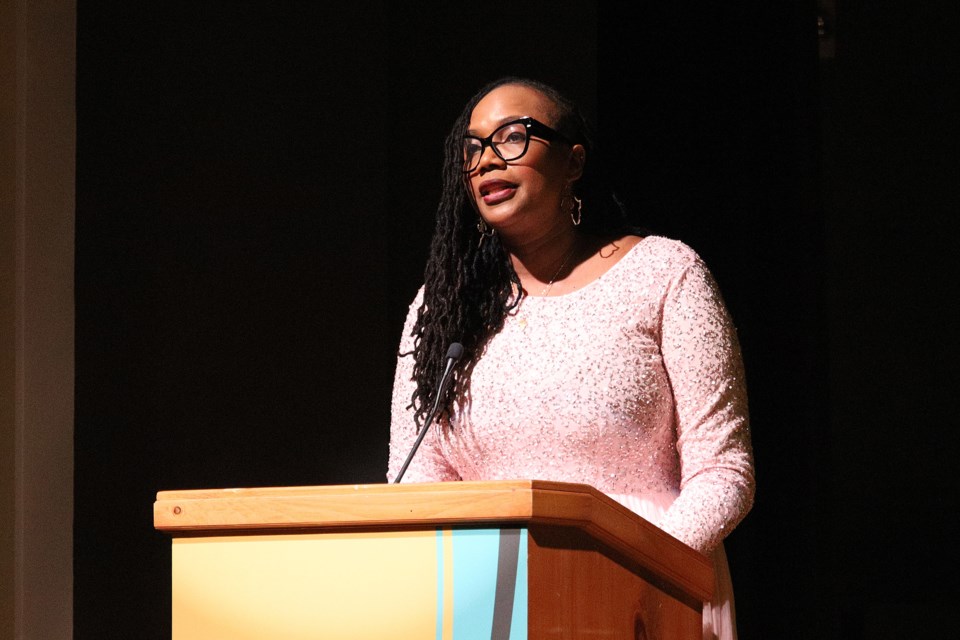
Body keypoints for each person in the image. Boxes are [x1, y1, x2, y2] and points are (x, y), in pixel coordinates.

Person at [386, 76, 755, 639]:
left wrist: (627, 564)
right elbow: (416, 482)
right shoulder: (444, 308)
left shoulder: (664, 275)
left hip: (644, 600)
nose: (487, 161)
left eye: (512, 137)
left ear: (573, 161)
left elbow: (723, 473)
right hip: (485, 607)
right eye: (473, 147)